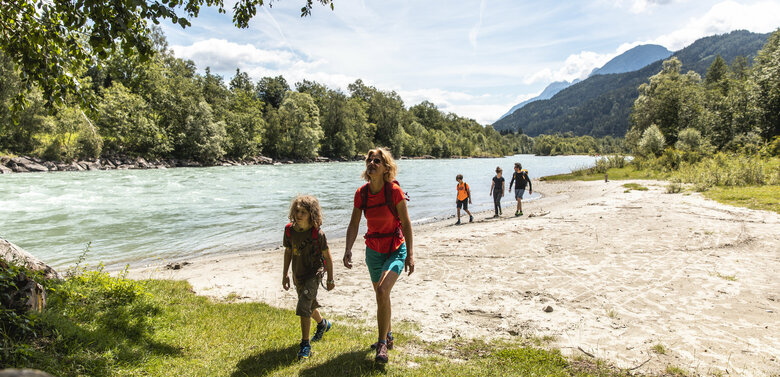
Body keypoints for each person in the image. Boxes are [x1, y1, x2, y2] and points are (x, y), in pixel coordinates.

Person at [343, 147, 414, 364]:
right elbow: (354, 223)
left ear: (386, 168)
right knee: (381, 295)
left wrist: (410, 254)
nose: (372, 164)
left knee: (382, 290)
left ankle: (382, 344)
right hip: (373, 250)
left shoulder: (394, 191)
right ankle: (388, 335)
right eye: (370, 160)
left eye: (377, 161)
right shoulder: (361, 193)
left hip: (395, 248)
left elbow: (406, 223)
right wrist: (348, 249)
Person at [282, 195, 335, 360]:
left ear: (311, 214)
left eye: (303, 212)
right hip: (298, 273)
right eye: (297, 211)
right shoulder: (289, 231)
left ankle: (305, 345)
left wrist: (330, 278)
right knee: (309, 305)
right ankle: (322, 324)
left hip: (314, 273)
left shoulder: (317, 233)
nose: (299, 215)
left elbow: (327, 256)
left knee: (303, 305)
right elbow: (288, 252)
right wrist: (285, 274)